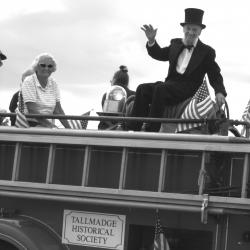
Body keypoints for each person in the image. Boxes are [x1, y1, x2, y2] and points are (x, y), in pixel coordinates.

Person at [129, 8, 227, 132]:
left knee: (160, 89)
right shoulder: (175, 44)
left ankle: (151, 131)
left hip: (189, 88)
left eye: (194, 29)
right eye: (188, 28)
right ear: (183, 29)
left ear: (200, 32)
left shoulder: (206, 51)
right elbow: (159, 54)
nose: (191, 32)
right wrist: (151, 41)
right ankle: (132, 129)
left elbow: (215, 74)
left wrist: (219, 91)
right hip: (170, 85)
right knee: (142, 89)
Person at [21, 53, 71, 128]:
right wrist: (51, 126)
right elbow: (32, 110)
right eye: (43, 65)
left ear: (53, 69)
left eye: (50, 66)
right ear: (36, 67)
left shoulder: (54, 83)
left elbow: (58, 110)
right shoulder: (29, 81)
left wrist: (69, 129)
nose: (46, 68)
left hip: (47, 125)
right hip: (30, 124)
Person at [99, 65, 135, 129]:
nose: (110, 81)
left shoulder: (107, 94)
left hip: (106, 129)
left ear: (115, 80)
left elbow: (105, 114)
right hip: (128, 129)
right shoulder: (135, 95)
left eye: (111, 80)